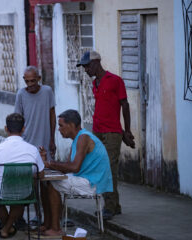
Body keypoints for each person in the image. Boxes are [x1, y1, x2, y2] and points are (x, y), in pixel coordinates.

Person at [77, 51, 135, 220]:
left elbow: (124, 105)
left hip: (111, 133)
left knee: (108, 168)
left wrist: (127, 131)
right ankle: (114, 206)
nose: (86, 70)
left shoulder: (115, 80)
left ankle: (109, 207)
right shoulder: (95, 83)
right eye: (84, 67)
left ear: (96, 63)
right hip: (98, 131)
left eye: (87, 66)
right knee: (99, 167)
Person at [40, 110, 113, 238]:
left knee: (52, 183)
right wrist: (47, 162)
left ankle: (56, 228)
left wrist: (50, 164)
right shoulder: (77, 140)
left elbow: (74, 167)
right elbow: (67, 167)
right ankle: (49, 224)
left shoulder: (83, 138)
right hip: (85, 179)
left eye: (61, 125)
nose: (59, 129)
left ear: (72, 125)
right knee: (46, 181)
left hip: (93, 183)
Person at [0, 113, 45, 238]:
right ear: (23, 129)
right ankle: (8, 227)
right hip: (25, 193)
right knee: (19, 196)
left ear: (6, 129)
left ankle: (7, 227)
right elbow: (41, 174)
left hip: (1, 193)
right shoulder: (33, 150)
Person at [14, 65, 56, 226]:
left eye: (33, 81)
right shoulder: (21, 94)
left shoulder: (47, 91)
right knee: (31, 184)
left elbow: (52, 115)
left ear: (39, 79)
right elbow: (18, 119)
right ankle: (36, 215)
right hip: (27, 144)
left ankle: (50, 217)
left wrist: (52, 139)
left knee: (46, 182)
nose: (30, 84)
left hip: (44, 143)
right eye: (27, 81)